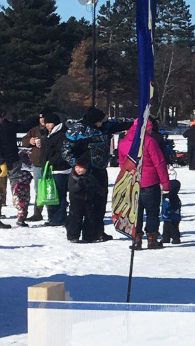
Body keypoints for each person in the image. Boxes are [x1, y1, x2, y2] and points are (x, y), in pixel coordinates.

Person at [62, 106, 133, 243]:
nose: (102, 123)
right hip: (84, 171)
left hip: (100, 169)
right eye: (100, 121)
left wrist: (138, 121)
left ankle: (96, 233)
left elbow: (119, 124)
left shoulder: (104, 127)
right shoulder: (77, 130)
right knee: (81, 204)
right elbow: (65, 151)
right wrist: (77, 165)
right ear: (94, 120)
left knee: (100, 202)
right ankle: (74, 233)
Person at [117, 117, 171, 249]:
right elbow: (159, 163)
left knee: (136, 212)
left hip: (132, 182)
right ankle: (152, 238)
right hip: (149, 182)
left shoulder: (124, 142)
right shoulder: (149, 141)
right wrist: (166, 183)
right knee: (152, 212)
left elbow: (122, 164)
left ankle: (137, 239)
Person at [40, 112, 70, 226]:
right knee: (52, 195)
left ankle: (59, 218)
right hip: (52, 169)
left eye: (49, 123)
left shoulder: (60, 135)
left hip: (59, 169)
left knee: (59, 195)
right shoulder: (50, 134)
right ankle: (53, 217)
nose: (47, 125)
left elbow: (61, 153)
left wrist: (50, 161)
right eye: (46, 123)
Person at [24, 114, 48, 221]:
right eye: (40, 118)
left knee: (52, 188)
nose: (42, 120)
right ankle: (37, 213)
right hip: (37, 164)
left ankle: (56, 212)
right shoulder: (34, 130)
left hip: (50, 164)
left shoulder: (52, 129)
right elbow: (24, 141)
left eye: (44, 118)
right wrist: (30, 141)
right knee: (39, 189)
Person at [8, 148, 34, 227]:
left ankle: (22, 218)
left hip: (20, 184)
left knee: (23, 202)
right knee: (21, 203)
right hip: (19, 187)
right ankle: (21, 219)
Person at [160, 178, 183, 244]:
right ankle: (166, 238)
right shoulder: (175, 197)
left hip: (170, 216)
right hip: (172, 216)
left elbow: (167, 206)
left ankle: (175, 238)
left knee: (173, 228)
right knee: (167, 228)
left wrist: (166, 213)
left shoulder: (170, 197)